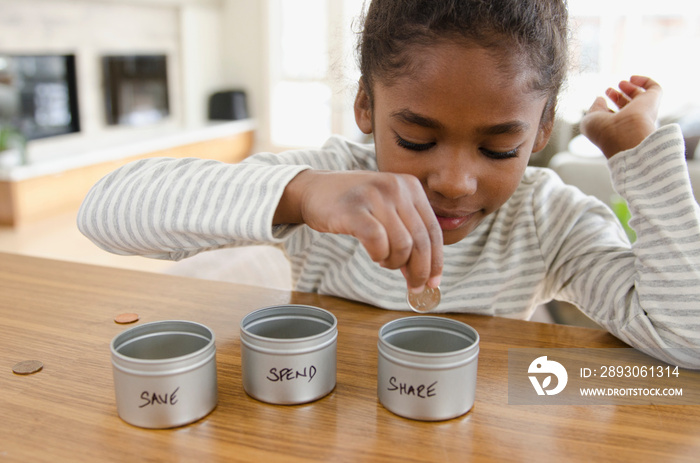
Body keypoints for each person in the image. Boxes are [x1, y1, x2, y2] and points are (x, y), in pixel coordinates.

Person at [78, 0, 700, 369]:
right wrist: (298, 194)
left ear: (541, 131)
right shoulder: (332, 188)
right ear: (367, 109)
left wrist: (641, 155)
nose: (455, 182)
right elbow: (105, 212)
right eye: (417, 140)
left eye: (497, 147)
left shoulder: (550, 221)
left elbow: (686, 337)